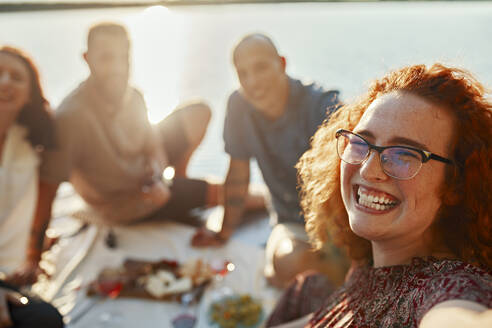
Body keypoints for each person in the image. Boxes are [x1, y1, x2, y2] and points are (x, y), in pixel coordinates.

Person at [274, 63, 492, 327]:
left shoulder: (446, 288)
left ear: (455, 185)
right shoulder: (368, 259)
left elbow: (459, 317)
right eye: (360, 142)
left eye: (404, 154)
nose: (368, 170)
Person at [7, 22, 224, 286]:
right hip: (124, 202)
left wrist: (158, 176)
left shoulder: (133, 95)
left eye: (124, 56)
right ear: (87, 60)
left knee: (198, 111)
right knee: (239, 195)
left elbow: (153, 142)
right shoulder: (71, 116)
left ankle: (178, 182)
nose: (119, 67)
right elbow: (48, 188)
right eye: (108, 58)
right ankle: (180, 192)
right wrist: (33, 257)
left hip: (148, 181)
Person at [191, 33, 349, 288]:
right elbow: (238, 174)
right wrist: (223, 233)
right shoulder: (238, 105)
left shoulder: (323, 106)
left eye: (261, 68)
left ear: (283, 64)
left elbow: (354, 176)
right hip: (292, 222)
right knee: (289, 261)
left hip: (339, 222)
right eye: (243, 74)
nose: (252, 81)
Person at [0, 46, 64, 328]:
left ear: (29, 94)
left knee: (45, 320)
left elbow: (45, 200)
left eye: (16, 77)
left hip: (5, 273)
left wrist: (33, 257)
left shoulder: (31, 143)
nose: (4, 82)